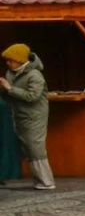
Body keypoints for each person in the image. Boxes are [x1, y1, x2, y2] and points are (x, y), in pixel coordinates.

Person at [1, 44, 53, 190]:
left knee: (35, 146)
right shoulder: (11, 73)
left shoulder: (35, 75)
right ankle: (39, 180)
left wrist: (10, 88)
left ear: (19, 60)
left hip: (34, 116)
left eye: (10, 60)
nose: (8, 63)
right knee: (28, 147)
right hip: (18, 114)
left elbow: (33, 96)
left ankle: (46, 181)